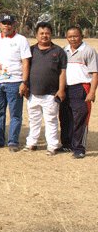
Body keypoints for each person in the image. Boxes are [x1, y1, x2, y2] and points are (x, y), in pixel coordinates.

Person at [23, 22, 67, 155]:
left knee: (51, 120)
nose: (44, 36)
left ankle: (52, 146)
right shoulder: (30, 50)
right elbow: (25, 68)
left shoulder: (59, 51)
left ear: (51, 35)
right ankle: (31, 143)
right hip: (33, 93)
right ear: (36, 35)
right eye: (41, 33)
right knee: (34, 120)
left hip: (51, 94)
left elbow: (62, 72)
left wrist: (61, 89)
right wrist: (25, 85)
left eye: (47, 33)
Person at [0, 14, 31, 152]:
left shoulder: (21, 40)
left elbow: (26, 62)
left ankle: (13, 142)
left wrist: (24, 82)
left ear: (14, 25)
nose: (6, 26)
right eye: (4, 23)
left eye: (9, 23)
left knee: (15, 114)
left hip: (15, 82)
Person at [59, 26, 98, 159]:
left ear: (81, 36)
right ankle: (66, 144)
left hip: (81, 87)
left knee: (80, 119)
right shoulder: (64, 50)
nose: (73, 39)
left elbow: (95, 73)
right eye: (70, 37)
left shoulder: (89, 51)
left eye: (75, 36)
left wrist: (92, 92)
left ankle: (79, 148)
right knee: (65, 117)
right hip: (66, 88)